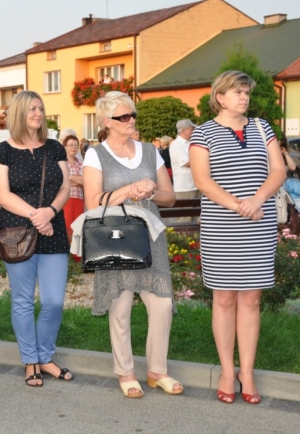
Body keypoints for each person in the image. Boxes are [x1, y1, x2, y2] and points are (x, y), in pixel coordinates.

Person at [189, 71, 286, 405]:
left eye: (246, 92)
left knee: (251, 300)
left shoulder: (262, 128)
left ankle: (247, 371)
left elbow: (279, 170)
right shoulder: (203, 133)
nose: (244, 97)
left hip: (258, 225)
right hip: (222, 227)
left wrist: (257, 200)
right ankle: (227, 372)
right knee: (224, 299)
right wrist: (239, 206)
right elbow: (203, 181)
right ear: (220, 97)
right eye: (237, 92)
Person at [81, 91, 182, 399]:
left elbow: (170, 196)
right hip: (115, 236)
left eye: (132, 114)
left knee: (162, 304)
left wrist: (149, 193)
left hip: (150, 236)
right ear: (107, 122)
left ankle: (157, 371)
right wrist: (129, 190)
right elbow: (92, 202)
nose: (131, 120)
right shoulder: (96, 155)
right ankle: (125, 372)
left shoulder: (150, 151)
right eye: (123, 116)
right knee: (120, 306)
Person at [0, 90, 73, 387]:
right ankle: (30, 360)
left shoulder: (54, 147)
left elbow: (65, 188)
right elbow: (3, 195)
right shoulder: (2, 150)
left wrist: (49, 212)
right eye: (31, 109)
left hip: (53, 230)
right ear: (18, 113)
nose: (38, 113)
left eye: (40, 108)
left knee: (53, 301)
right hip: (17, 233)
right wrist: (37, 217)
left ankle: (45, 357)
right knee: (23, 301)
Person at [169, 121, 199, 222]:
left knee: (197, 217)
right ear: (183, 130)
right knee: (185, 218)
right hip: (184, 187)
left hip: (196, 184)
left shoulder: (191, 143)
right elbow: (186, 163)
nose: (193, 131)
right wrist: (203, 160)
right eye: (191, 129)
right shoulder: (176, 145)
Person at [61, 134, 84, 262]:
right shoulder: (61, 163)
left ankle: (77, 258)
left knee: (78, 228)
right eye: (70, 145)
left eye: (76, 145)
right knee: (67, 227)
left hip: (79, 199)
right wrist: (78, 180)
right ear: (65, 146)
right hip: (66, 199)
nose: (73, 147)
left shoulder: (81, 163)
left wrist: (69, 178)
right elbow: (61, 181)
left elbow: (86, 180)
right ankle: (67, 257)